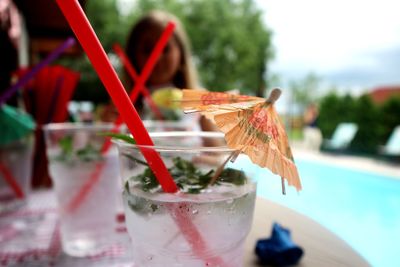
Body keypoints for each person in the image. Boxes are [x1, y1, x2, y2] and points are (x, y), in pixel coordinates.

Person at [122, 10, 218, 132]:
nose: (156, 57)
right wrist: (108, 127)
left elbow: (215, 149)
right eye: (147, 49)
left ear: (181, 55)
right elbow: (105, 144)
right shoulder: (124, 106)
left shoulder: (201, 103)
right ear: (133, 57)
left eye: (165, 49)